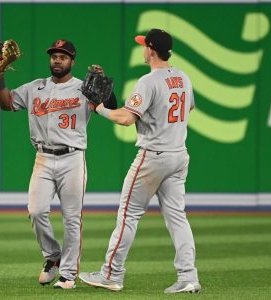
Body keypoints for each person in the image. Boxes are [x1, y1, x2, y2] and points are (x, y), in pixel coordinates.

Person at [78, 29, 201, 294]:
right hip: (178, 156)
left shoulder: (149, 81)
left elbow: (126, 118)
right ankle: (188, 276)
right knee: (178, 217)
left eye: (144, 45)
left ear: (152, 50)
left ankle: (111, 274)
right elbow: (188, 108)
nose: (142, 49)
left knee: (128, 215)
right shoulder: (183, 77)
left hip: (153, 157)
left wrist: (100, 109)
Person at [0, 39, 116, 289]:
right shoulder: (35, 87)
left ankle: (68, 274)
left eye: (63, 56)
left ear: (72, 61)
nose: (57, 60)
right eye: (54, 56)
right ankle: (52, 256)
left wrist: (104, 88)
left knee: (71, 218)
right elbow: (6, 104)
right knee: (36, 211)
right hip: (43, 158)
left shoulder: (84, 88)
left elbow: (111, 107)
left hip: (72, 158)